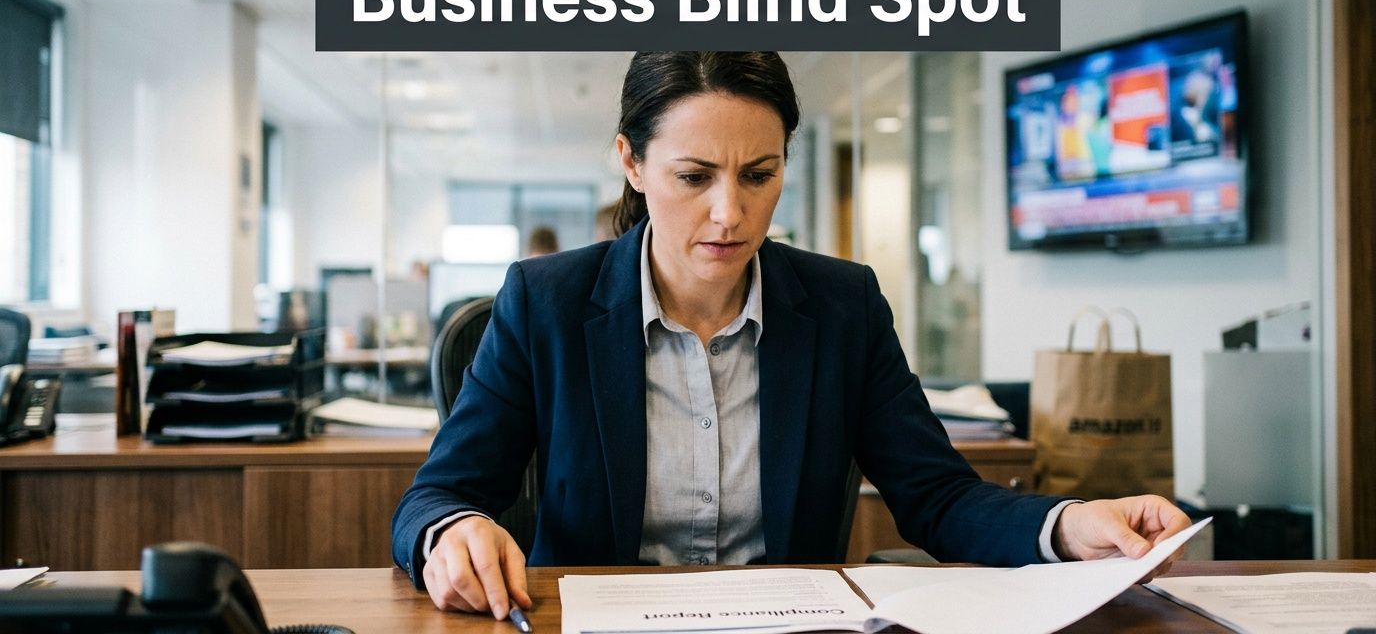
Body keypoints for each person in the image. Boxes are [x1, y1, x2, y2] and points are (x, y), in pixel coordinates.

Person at [392, 52, 1191, 619]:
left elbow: (937, 498)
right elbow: (436, 495)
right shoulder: (547, 301)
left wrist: (1066, 524)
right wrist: (452, 530)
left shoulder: (842, 305)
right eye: (694, 176)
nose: (729, 213)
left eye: (759, 174)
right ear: (632, 163)